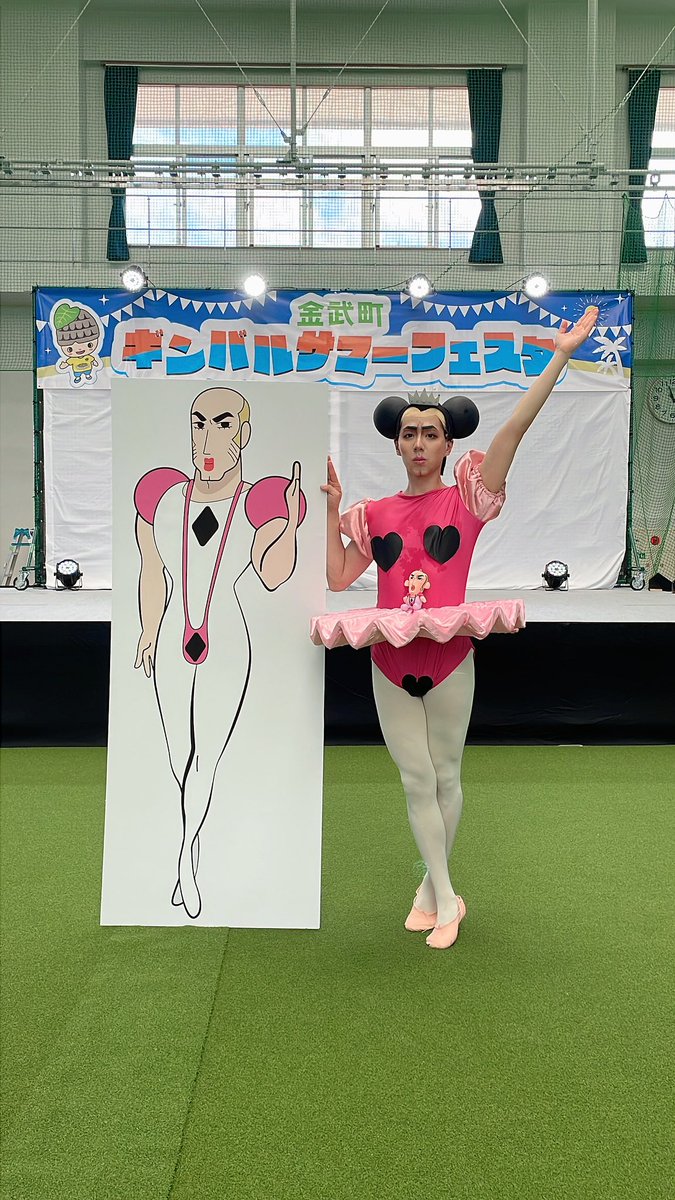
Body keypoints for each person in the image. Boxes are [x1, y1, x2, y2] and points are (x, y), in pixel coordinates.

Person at [316, 308, 598, 949]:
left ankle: (432, 892)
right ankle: (447, 898)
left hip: (449, 656)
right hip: (389, 659)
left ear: (448, 445)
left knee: (446, 773)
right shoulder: (374, 513)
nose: (419, 443)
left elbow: (514, 432)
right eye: (409, 433)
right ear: (395, 444)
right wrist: (332, 513)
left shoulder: (467, 499)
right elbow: (337, 575)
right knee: (415, 778)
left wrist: (559, 355)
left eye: (431, 434)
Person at [134, 386, 306, 919]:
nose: (208, 437)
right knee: (176, 759)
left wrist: (290, 523)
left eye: (224, 424)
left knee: (205, 757)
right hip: (170, 640)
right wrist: (147, 630)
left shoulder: (258, 504)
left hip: (226, 639)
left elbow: (274, 575)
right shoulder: (161, 498)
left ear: (244, 433)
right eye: (199, 423)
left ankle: (185, 864)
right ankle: (191, 852)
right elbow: (151, 571)